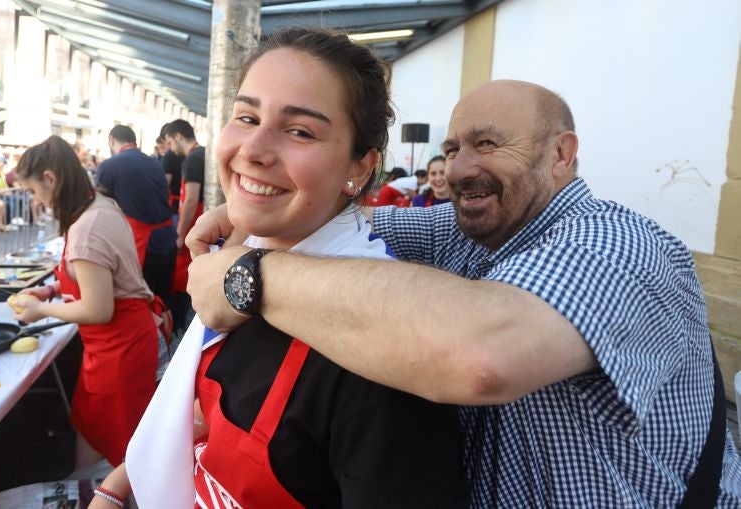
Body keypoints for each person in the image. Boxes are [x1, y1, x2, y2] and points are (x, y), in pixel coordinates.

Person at [184, 79, 741, 507]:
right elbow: (329, 225)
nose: (458, 170)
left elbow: (483, 356)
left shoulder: (621, 244)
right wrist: (250, 209)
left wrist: (247, 275)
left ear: (562, 154)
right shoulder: (465, 229)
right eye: (451, 150)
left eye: (488, 144)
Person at [91, 28, 467, 509]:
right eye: (247, 117)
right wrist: (118, 485)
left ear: (360, 167)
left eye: (300, 131)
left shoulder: (379, 362)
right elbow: (210, 416)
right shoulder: (232, 265)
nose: (254, 150)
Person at [11, 135, 160, 469]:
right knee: (94, 429)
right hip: (121, 344)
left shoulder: (86, 229)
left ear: (50, 178)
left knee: (119, 442)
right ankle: (90, 492)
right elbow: (95, 275)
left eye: (34, 191)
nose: (37, 201)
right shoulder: (99, 204)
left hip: (118, 350)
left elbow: (97, 309)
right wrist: (51, 291)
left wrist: (41, 309)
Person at [96, 125, 177, 304]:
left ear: (111, 140)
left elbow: (99, 212)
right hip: (168, 240)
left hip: (143, 245)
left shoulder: (109, 166)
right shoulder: (154, 163)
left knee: (144, 301)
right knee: (163, 301)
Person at [163, 119, 204, 331]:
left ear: (178, 136)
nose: (171, 148)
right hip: (199, 227)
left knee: (182, 278)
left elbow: (190, 199)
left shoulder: (192, 159)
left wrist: (180, 234)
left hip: (192, 229)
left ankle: (180, 326)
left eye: (170, 142)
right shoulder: (201, 154)